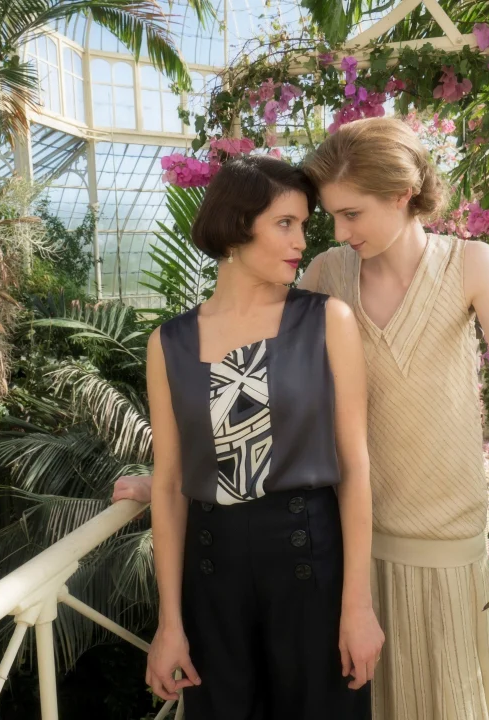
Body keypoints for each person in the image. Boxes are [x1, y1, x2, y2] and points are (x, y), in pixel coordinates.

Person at [121, 118, 489, 720]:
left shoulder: (468, 265)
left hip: (442, 554)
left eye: (351, 214)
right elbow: (256, 386)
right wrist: (184, 485)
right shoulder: (325, 276)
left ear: (402, 194)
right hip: (340, 557)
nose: (337, 233)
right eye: (328, 217)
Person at [142, 154, 384, 720]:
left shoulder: (326, 321)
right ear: (236, 226)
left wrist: (357, 607)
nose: (301, 241)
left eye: (303, 224)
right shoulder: (169, 343)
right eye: (284, 223)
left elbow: (355, 467)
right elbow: (170, 484)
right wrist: (169, 624)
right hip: (211, 581)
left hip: (311, 567)